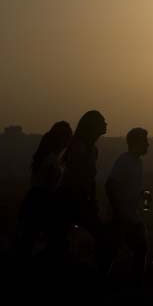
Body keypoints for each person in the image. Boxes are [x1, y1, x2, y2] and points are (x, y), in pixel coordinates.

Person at [48, 110, 108, 266]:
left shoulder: (93, 150)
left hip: (81, 200)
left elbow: (90, 179)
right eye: (102, 122)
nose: (106, 124)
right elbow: (77, 177)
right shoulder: (79, 147)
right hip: (69, 199)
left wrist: (92, 199)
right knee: (58, 245)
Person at [16, 121, 72, 258]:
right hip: (42, 202)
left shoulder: (47, 158)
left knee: (29, 241)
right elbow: (49, 186)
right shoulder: (51, 161)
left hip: (36, 200)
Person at [105, 127, 150, 283]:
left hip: (129, 215)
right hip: (121, 216)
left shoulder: (138, 163)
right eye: (145, 141)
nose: (148, 145)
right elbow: (110, 185)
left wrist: (141, 193)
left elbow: (128, 187)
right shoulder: (124, 160)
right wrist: (118, 212)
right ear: (137, 143)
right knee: (114, 251)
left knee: (136, 248)